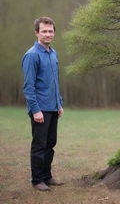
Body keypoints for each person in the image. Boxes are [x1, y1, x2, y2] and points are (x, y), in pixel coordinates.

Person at [22, 17, 64, 191]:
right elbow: (28, 87)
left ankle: (47, 176)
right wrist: (36, 109)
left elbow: (55, 82)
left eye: (51, 31)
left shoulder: (53, 54)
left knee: (50, 144)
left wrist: (59, 103)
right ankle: (37, 180)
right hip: (40, 109)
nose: (48, 34)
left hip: (53, 108)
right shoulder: (32, 55)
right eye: (44, 31)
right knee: (39, 145)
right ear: (37, 33)